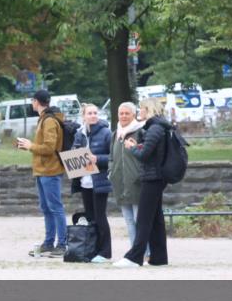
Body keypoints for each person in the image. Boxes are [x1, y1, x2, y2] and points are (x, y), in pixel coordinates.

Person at [115, 97, 171, 268]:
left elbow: (145, 155)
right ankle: (159, 257)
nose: (140, 112)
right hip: (156, 177)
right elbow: (150, 151)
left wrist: (132, 148)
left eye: (141, 109)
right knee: (156, 219)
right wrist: (137, 147)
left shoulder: (155, 128)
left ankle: (135, 257)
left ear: (149, 109)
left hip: (152, 178)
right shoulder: (159, 126)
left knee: (144, 219)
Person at [17, 89, 69, 258]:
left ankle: (62, 244)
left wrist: (31, 146)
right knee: (46, 208)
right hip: (42, 170)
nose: (32, 103)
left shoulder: (49, 121)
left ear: (36, 101)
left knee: (55, 208)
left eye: (32, 100)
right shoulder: (44, 119)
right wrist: (28, 146)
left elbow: (49, 148)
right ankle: (48, 243)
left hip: (50, 170)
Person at [72, 103, 113, 263]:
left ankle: (105, 252)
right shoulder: (79, 134)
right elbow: (73, 153)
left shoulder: (106, 133)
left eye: (95, 112)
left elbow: (113, 158)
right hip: (84, 181)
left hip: (100, 181)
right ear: (84, 116)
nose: (93, 115)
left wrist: (97, 159)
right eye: (90, 113)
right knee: (90, 217)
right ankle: (93, 249)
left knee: (100, 217)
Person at [109, 101, 146, 259]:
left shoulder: (140, 131)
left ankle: (146, 252)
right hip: (120, 183)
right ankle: (134, 251)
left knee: (140, 220)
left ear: (133, 115)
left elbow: (146, 154)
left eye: (127, 113)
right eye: (121, 113)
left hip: (136, 181)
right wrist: (111, 172)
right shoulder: (115, 134)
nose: (123, 116)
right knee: (129, 221)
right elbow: (111, 156)